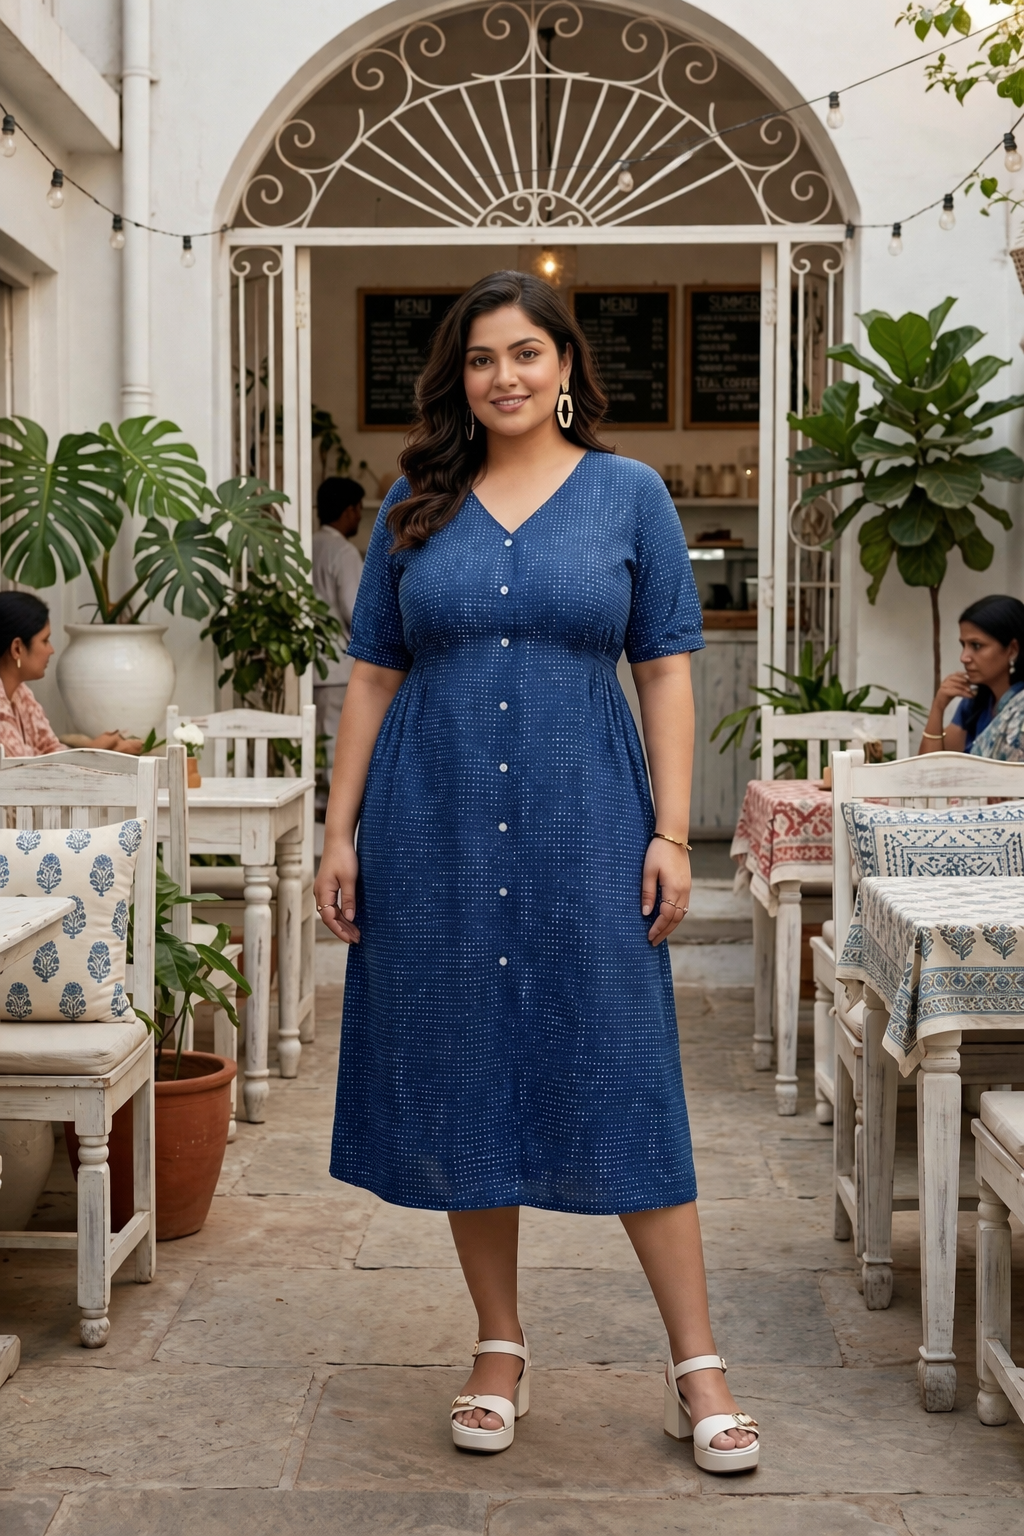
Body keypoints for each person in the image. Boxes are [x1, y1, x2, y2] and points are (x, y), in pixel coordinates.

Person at [314, 272, 759, 1473]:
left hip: (585, 820)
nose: (501, 376)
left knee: (622, 1066)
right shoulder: (419, 498)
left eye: (523, 352)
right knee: (466, 1070)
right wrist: (340, 827)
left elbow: (666, 662)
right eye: (477, 359)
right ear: (457, 378)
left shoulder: (629, 494)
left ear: (565, 364)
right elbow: (373, 672)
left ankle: (695, 1363)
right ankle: (497, 1344)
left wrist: (670, 832)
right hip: (435, 821)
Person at [0, 592, 144, 757]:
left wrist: (101, 751)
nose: (51, 650)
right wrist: (94, 751)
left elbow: (52, 753)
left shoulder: (22, 696)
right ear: (17, 648)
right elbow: (23, 774)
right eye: (45, 641)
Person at [919, 594, 1024, 760]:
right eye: (964, 645)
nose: (964, 657)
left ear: (1012, 650)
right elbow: (929, 771)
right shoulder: (975, 703)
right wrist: (938, 706)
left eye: (976, 645)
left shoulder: (1020, 709)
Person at [312, 477, 365, 788]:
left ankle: (316, 801)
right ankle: (328, 806)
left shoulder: (307, 544)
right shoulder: (343, 552)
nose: (358, 516)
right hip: (335, 663)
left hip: (307, 666)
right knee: (334, 741)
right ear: (347, 511)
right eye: (358, 509)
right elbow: (355, 609)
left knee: (314, 739)